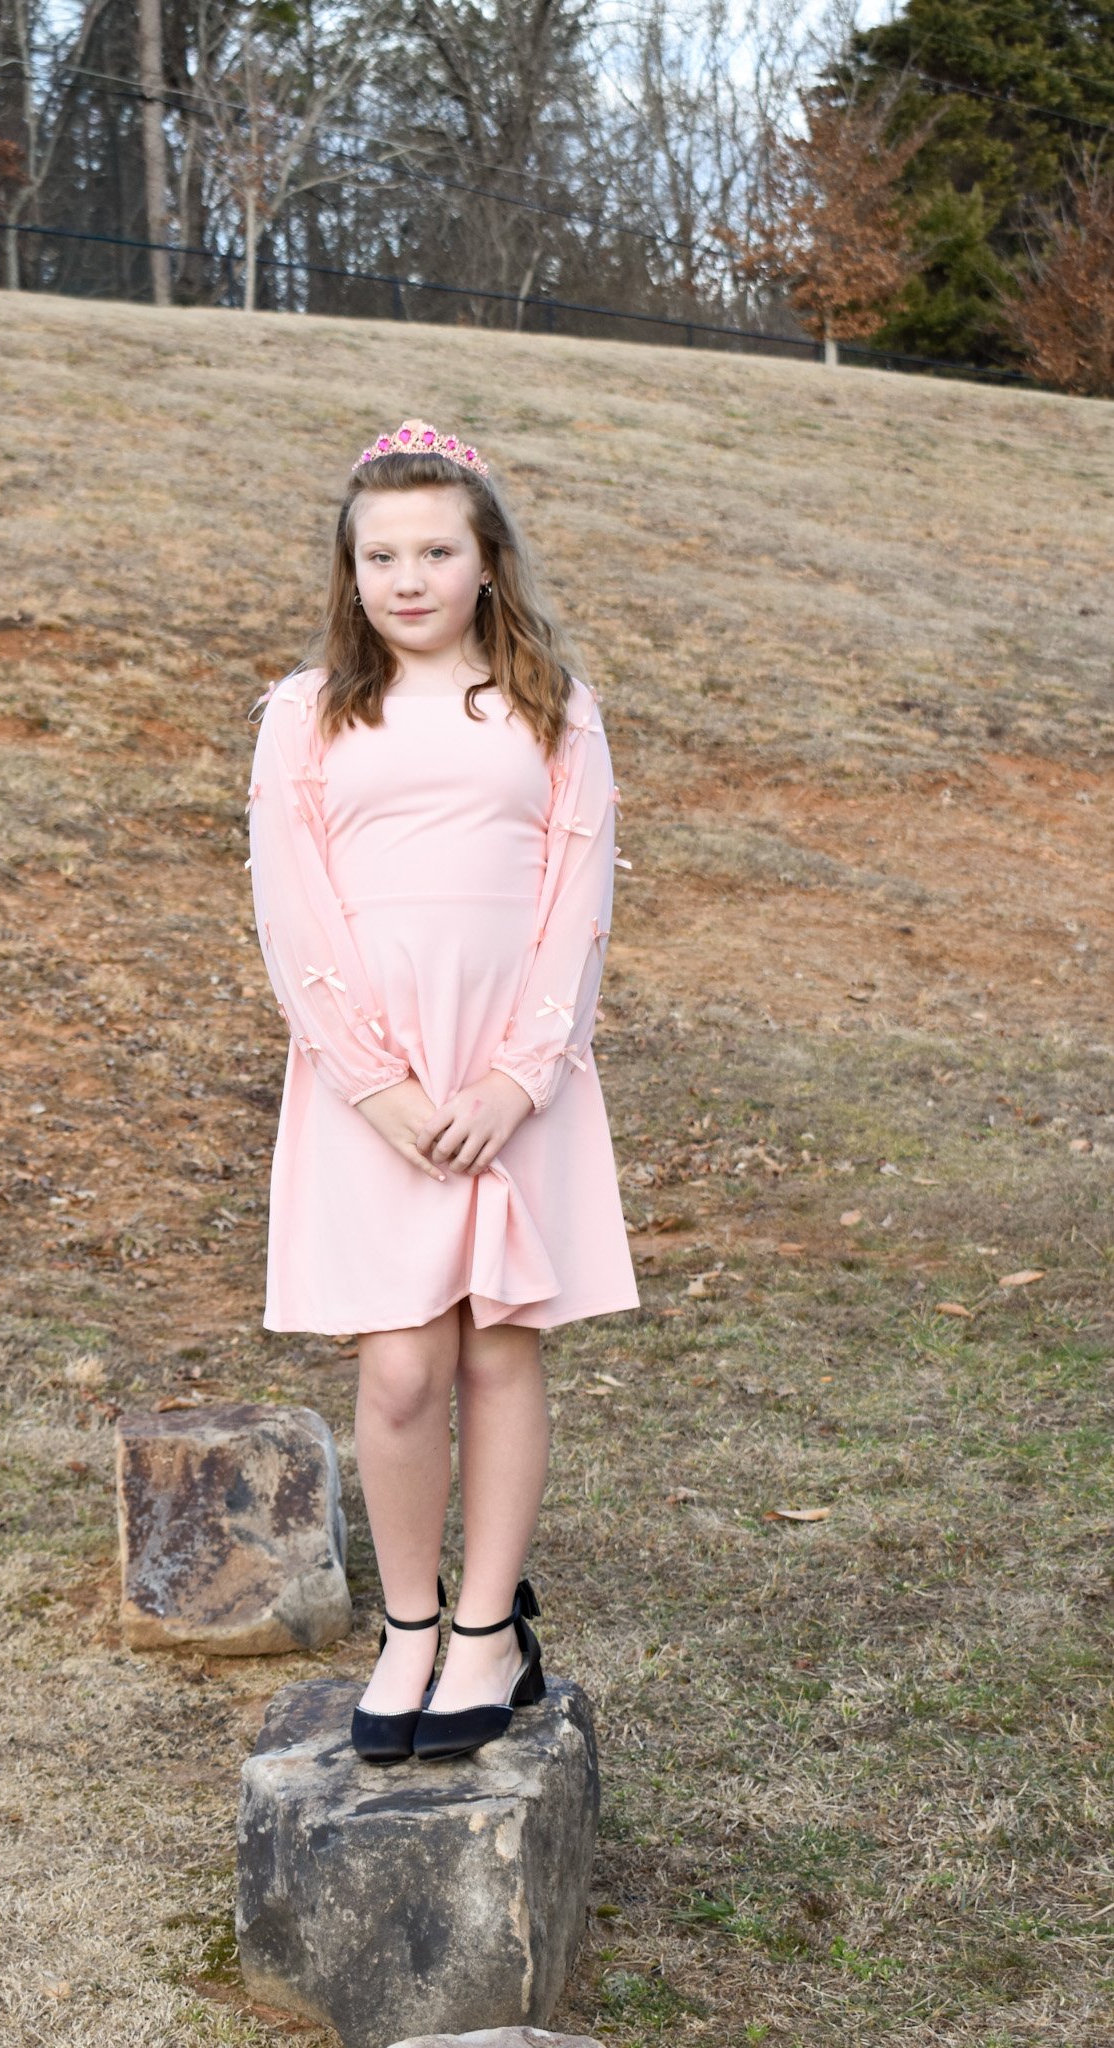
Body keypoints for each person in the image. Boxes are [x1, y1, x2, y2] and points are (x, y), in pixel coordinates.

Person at [245, 416, 638, 1764]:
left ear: (485, 562)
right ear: (349, 573)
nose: (406, 576)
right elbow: (292, 917)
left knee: (494, 1346)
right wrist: (381, 1086)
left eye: (434, 549)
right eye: (379, 554)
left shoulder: (548, 709)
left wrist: (517, 1077)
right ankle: (406, 1624)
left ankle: (487, 1631)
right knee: (403, 1370)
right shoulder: (306, 714)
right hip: (374, 1090)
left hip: (510, 1074)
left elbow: (572, 907)